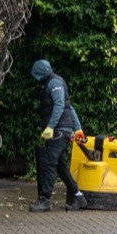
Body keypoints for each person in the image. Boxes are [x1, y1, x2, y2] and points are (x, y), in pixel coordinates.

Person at [28, 58, 85, 211]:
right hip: (63, 129)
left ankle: (44, 201)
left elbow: (60, 105)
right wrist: (78, 128)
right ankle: (79, 196)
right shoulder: (55, 82)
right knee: (60, 166)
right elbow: (69, 107)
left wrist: (50, 127)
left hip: (58, 130)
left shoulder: (54, 84)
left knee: (48, 163)